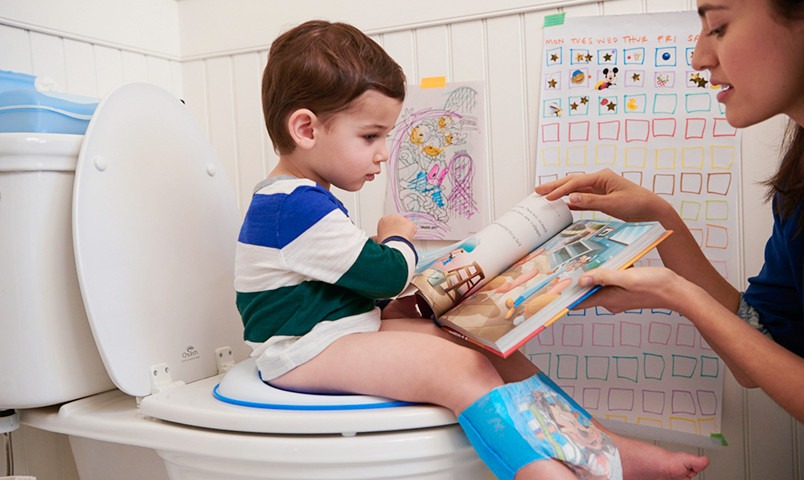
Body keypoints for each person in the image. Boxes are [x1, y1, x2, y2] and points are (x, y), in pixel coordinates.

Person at [235, 19, 708, 480]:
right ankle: (544, 473)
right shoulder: (291, 208)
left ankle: (607, 450)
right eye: (370, 136)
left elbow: (343, 283)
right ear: (306, 129)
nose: (383, 153)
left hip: (333, 335)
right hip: (301, 352)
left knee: (483, 343)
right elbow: (384, 275)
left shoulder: (303, 200)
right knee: (459, 367)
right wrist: (395, 234)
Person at [536, 0, 804, 423]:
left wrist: (679, 295)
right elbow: (760, 352)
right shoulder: (796, 186)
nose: (699, 57)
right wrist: (661, 219)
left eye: (717, 27)